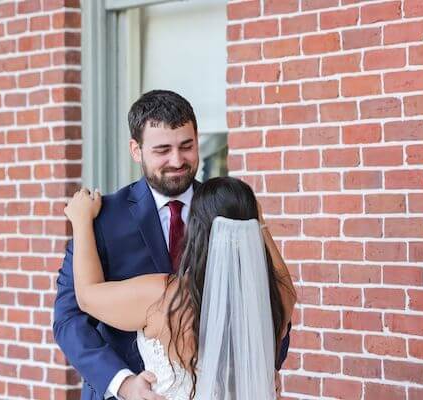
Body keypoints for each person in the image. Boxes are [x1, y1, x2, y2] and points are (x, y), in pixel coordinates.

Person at [53, 90, 294, 400]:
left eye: (187, 146)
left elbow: (264, 301)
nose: (177, 160)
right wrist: (122, 382)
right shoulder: (102, 219)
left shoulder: (226, 210)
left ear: (197, 139)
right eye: (163, 149)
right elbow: (69, 318)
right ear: (136, 150)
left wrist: (260, 369)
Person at [64, 177, 296, 399]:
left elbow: (86, 297)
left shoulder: (166, 297)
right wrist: (257, 221)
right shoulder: (279, 296)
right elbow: (282, 277)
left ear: (196, 231)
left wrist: (81, 221)